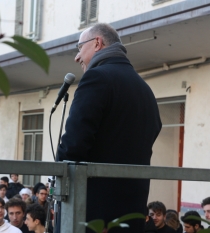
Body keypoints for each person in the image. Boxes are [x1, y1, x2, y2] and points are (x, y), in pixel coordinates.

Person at [57, 23, 162, 233]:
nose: (77, 57)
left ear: (97, 43)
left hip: (93, 214)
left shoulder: (96, 78)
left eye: (79, 48)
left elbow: (73, 145)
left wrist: (58, 166)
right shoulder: (145, 89)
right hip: (132, 212)